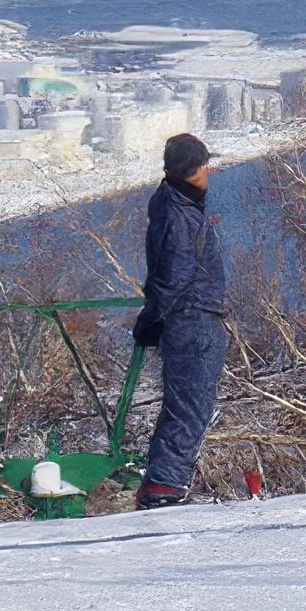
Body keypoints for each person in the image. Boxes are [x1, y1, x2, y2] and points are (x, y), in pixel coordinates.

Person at [129, 133, 226, 509]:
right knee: (191, 402)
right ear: (198, 169)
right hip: (192, 317)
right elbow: (176, 272)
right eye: (205, 167)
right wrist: (156, 316)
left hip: (191, 315)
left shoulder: (176, 205)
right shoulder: (178, 212)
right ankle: (164, 486)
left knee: (192, 401)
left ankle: (166, 483)